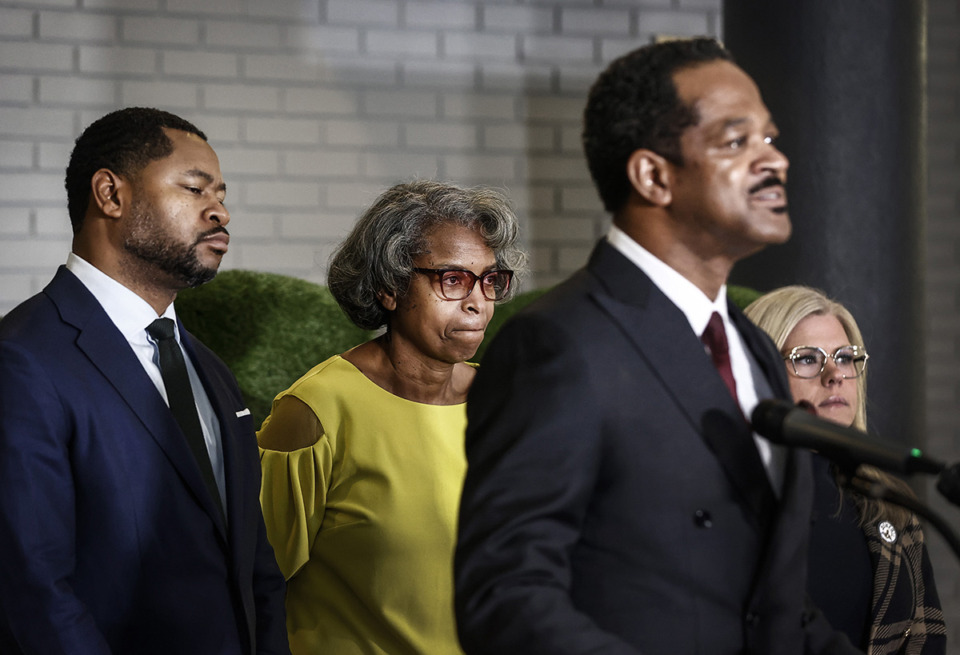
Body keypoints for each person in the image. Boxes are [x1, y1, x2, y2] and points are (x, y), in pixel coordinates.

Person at [454, 38, 862, 654]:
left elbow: (768, 603)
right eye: (736, 140)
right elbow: (505, 598)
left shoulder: (752, 348)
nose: (773, 161)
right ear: (653, 175)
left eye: (770, 140)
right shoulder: (557, 344)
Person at [0, 107, 289, 654]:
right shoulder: (23, 361)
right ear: (110, 194)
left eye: (222, 194)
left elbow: (255, 565)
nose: (220, 212)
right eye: (194, 189)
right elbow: (31, 590)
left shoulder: (210, 369)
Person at [256, 180, 525, 654]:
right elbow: (254, 578)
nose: (477, 301)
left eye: (489, 279)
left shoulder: (504, 401)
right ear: (389, 287)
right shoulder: (315, 410)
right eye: (453, 279)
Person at [744, 285, 946, 654]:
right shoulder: (735, 497)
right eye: (807, 358)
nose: (834, 374)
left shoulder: (892, 504)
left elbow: (927, 641)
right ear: (759, 371)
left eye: (845, 357)